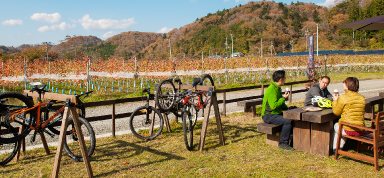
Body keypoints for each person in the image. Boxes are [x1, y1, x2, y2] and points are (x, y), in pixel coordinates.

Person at [261, 70, 293, 151]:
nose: (286, 79)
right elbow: (273, 106)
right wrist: (283, 98)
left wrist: (287, 109)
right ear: (281, 79)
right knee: (287, 121)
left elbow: (280, 103)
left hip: (276, 114)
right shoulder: (272, 89)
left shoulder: (277, 88)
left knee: (292, 115)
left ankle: (291, 138)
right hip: (269, 116)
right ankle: (283, 143)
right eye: (285, 78)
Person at [332, 77, 365, 152]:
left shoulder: (343, 97)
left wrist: (335, 101)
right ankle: (340, 148)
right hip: (360, 129)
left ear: (347, 85)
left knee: (337, 125)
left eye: (344, 84)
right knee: (344, 125)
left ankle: (336, 149)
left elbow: (336, 112)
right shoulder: (362, 98)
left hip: (349, 130)